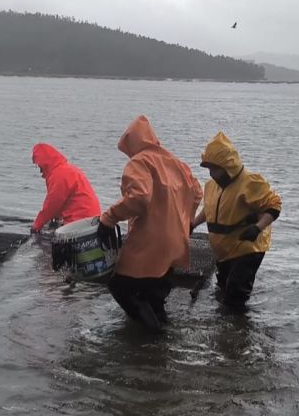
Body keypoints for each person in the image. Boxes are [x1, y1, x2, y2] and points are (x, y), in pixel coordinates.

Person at [97, 116, 203, 332]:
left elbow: (139, 198)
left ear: (131, 143)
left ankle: (154, 340)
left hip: (149, 244)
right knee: (155, 297)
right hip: (176, 245)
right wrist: (188, 221)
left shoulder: (139, 162)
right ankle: (160, 350)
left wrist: (108, 218)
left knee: (120, 286)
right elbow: (197, 192)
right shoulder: (178, 163)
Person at [191, 132, 281, 311]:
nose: (211, 173)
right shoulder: (212, 185)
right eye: (209, 168)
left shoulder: (250, 182)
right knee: (223, 288)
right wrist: (192, 224)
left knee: (235, 297)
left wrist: (257, 228)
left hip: (247, 247)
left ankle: (238, 327)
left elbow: (274, 206)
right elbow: (209, 210)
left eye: (214, 168)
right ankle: (230, 328)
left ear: (227, 166)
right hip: (225, 250)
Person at [31, 143, 101, 233]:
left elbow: (52, 205)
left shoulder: (59, 174)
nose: (39, 167)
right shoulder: (64, 169)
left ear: (45, 161)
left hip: (81, 220)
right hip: (90, 219)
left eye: (38, 163)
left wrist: (36, 226)